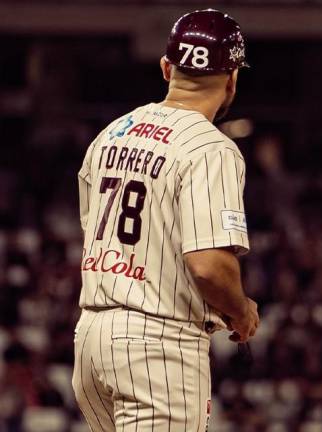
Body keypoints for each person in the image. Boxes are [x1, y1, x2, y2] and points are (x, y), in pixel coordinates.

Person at [72, 9, 259, 431]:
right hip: (157, 344)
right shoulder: (211, 147)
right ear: (232, 79)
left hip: (92, 338)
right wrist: (241, 310)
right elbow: (208, 265)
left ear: (166, 68)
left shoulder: (111, 134)